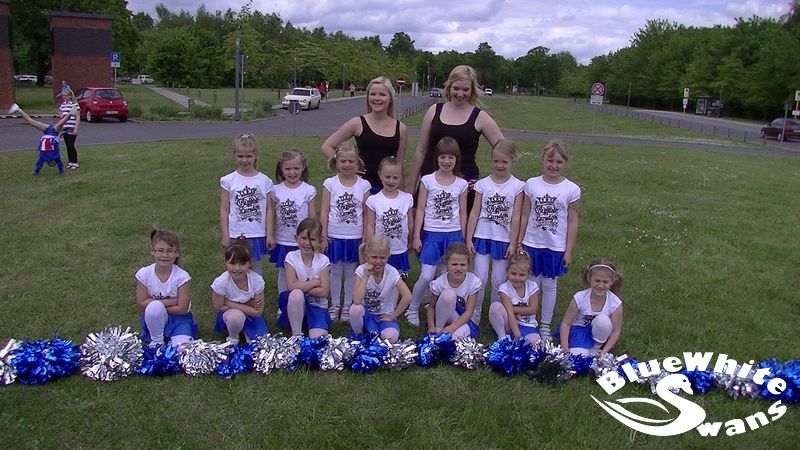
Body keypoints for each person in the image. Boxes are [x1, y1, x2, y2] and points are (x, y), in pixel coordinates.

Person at [404, 65, 504, 211]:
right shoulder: (434, 111)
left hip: (463, 189)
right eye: (456, 88)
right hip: (430, 185)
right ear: (449, 87)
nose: (460, 94)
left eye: (465, 89)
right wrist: (411, 185)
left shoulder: (480, 117)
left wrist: (489, 183)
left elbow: (504, 150)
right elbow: (421, 150)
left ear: (472, 90)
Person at [518, 139, 580, 341]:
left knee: (549, 285)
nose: (554, 165)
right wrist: (519, 241)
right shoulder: (531, 184)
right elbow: (525, 214)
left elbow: (572, 221)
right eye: (550, 160)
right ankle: (530, 320)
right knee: (531, 284)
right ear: (542, 159)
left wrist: (568, 250)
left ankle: (545, 323)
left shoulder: (571, 189)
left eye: (559, 162)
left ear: (565, 163)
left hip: (555, 245)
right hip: (532, 243)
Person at [406, 137, 467, 326]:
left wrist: (463, 238)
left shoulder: (461, 184)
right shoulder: (427, 181)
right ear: (436, 158)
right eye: (443, 157)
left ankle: (439, 307)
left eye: (451, 157)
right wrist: (417, 235)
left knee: (445, 276)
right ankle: (412, 307)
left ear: (456, 159)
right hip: (432, 234)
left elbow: (463, 213)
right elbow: (421, 210)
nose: (446, 161)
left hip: (453, 235)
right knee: (426, 275)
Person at [465, 139, 524, 324]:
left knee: (498, 280)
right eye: (496, 161)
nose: (500, 165)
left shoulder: (517, 186)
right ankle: (474, 312)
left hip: (503, 239)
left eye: (504, 161)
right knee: (480, 277)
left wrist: (513, 243)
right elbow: (474, 213)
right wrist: (469, 238)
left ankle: (495, 313)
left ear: (513, 161)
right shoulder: (483, 184)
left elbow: (516, 217)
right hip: (482, 236)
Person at [321, 76, 408, 193]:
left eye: (382, 94)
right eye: (373, 94)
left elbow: (400, 164)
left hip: (387, 189)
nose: (377, 98)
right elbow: (327, 146)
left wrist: (400, 194)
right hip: (360, 189)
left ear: (390, 98)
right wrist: (346, 167)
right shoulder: (357, 123)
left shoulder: (401, 128)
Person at [320, 142, 371, 322]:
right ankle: (335, 305)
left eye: (351, 161)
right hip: (334, 235)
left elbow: (366, 213)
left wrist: (365, 237)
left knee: (350, 272)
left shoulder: (364, 185)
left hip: (354, 236)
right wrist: (323, 235)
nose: (347, 165)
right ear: (336, 162)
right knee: (335, 271)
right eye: (343, 161)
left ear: (357, 162)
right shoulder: (330, 183)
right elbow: (324, 211)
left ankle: (348, 305)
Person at [219, 134, 274, 274]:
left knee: (255, 270)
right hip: (236, 233)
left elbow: (269, 210)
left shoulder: (264, 181)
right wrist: (225, 234)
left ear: (256, 155)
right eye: (240, 156)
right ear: (234, 156)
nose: (244, 160)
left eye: (249, 156)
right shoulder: (229, 181)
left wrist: (269, 234)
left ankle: (257, 289)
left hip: (256, 233)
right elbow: (224, 210)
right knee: (235, 267)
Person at [134, 228, 197, 348]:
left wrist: (159, 306)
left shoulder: (182, 277)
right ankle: (157, 340)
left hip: (179, 320)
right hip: (155, 317)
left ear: (177, 253)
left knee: (181, 349)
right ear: (152, 251)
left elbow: (182, 309)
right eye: (160, 250)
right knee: (154, 308)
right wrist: (172, 302)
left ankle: (178, 335)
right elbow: (142, 303)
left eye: (170, 251)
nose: (164, 255)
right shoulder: (144, 274)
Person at [267, 149, 316, 294]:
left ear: (303, 168)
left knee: (303, 271)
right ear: (281, 169)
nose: (292, 172)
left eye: (296, 168)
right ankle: (284, 301)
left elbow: (312, 218)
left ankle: (302, 299)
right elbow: (271, 214)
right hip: (283, 240)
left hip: (303, 241)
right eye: (288, 169)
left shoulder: (308, 190)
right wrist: (270, 235)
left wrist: (314, 238)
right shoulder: (275, 190)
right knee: (284, 272)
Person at [349, 235, 412, 343]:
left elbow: (408, 296)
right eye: (374, 257)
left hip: (383, 315)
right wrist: (366, 277)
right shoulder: (361, 271)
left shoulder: (392, 272)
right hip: (366, 314)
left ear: (388, 256)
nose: (378, 261)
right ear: (366, 256)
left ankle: (378, 335)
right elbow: (357, 300)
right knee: (355, 309)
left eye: (382, 258)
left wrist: (393, 315)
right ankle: (358, 335)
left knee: (392, 337)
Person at [277, 218, 331, 338]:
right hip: (295, 305)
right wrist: (315, 282)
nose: (307, 243)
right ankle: (296, 334)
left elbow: (324, 292)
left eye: (312, 239)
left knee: (318, 338)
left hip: (318, 306)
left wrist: (300, 285)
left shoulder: (323, 260)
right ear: (296, 238)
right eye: (304, 238)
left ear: (320, 241)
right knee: (296, 294)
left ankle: (313, 325)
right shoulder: (291, 257)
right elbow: (291, 286)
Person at [557, 259, 623, 356]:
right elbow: (566, 323)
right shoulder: (579, 298)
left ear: (612, 281)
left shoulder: (615, 303)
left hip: (600, 334)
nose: (601, 285)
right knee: (578, 356)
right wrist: (565, 348)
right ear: (589, 278)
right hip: (580, 332)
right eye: (597, 281)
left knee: (603, 321)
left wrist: (604, 352)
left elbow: (615, 332)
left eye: (605, 282)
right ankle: (584, 350)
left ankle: (596, 349)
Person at [364, 156, 414, 278]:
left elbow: (410, 223)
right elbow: (370, 226)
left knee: (398, 278)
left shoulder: (407, 198)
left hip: (399, 247)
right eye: (387, 177)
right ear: (380, 175)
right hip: (380, 250)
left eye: (395, 178)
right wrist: (370, 246)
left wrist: (411, 240)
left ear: (401, 177)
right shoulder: (373, 200)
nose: (391, 181)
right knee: (380, 277)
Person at [212, 240, 267, 345]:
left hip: (252, 316)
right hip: (230, 314)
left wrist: (228, 302)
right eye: (232, 263)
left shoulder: (257, 281)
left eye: (242, 264)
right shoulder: (221, 282)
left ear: (250, 263)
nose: (237, 268)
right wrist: (247, 305)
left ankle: (246, 331)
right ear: (226, 262)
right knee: (236, 317)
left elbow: (258, 312)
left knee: (260, 344)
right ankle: (233, 338)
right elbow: (218, 306)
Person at [425, 242, 481, 338]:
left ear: (468, 265)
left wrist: (452, 328)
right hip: (442, 316)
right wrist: (431, 326)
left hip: (462, 319)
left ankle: (446, 336)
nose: (458, 268)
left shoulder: (473, 282)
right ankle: (438, 331)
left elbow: (468, 312)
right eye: (454, 264)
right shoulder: (440, 282)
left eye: (463, 265)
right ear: (446, 265)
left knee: (456, 336)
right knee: (448, 295)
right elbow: (431, 307)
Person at [488, 253, 541, 345]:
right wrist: (517, 334)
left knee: (535, 341)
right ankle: (503, 338)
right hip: (508, 323)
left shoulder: (532, 286)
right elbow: (510, 314)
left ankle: (518, 342)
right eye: (513, 273)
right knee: (495, 307)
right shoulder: (504, 288)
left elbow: (532, 310)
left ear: (528, 274)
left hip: (527, 325)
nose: (517, 278)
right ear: (507, 272)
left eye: (522, 275)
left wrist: (511, 308)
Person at [10, 103, 73, 176]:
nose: (52, 163)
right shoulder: (54, 156)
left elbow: (39, 164)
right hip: (54, 133)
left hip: (47, 131)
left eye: (52, 163)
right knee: (61, 122)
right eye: (53, 163)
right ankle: (71, 112)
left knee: (32, 122)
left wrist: (36, 172)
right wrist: (61, 172)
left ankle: (18, 109)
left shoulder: (44, 157)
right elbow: (59, 164)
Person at [57, 85, 81, 170]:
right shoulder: (63, 105)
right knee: (67, 145)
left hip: (72, 126)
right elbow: (60, 114)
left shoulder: (74, 105)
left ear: (70, 96)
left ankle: (75, 162)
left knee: (71, 145)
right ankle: (70, 162)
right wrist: (61, 115)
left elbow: (78, 117)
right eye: (63, 95)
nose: (64, 97)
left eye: (66, 95)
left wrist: (76, 128)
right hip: (65, 127)